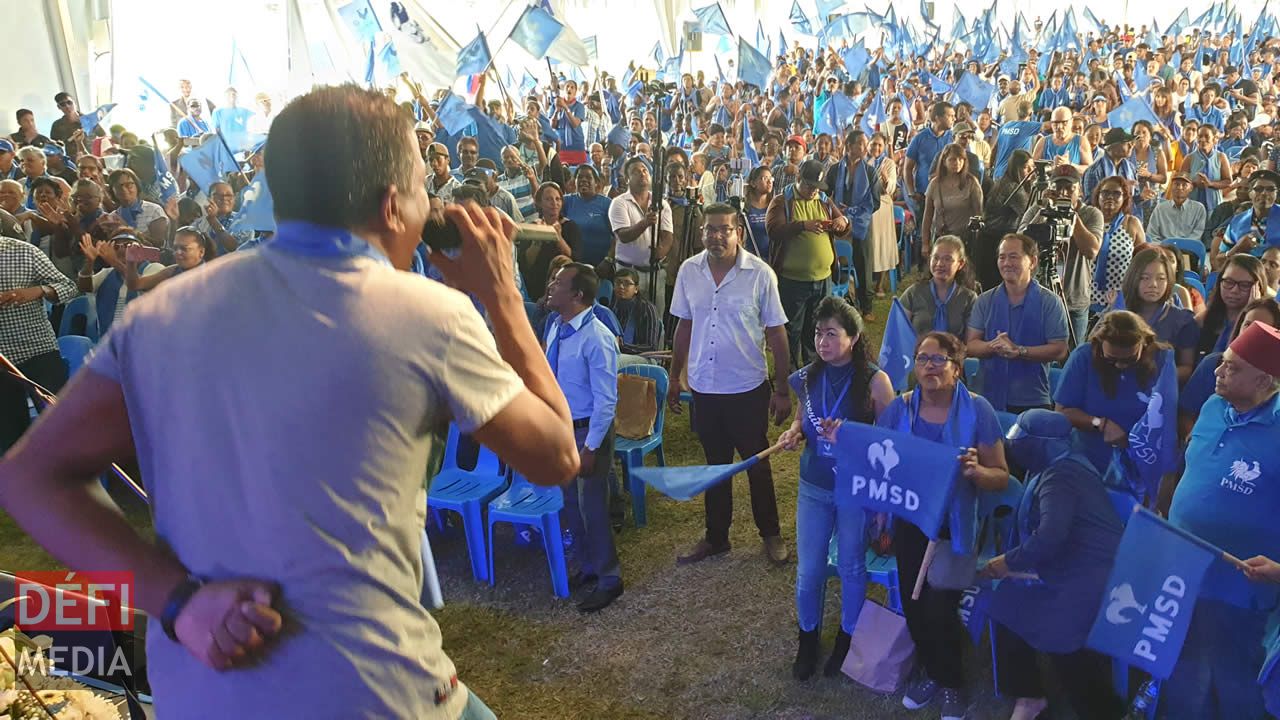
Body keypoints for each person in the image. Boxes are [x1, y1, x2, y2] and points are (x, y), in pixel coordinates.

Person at [0, 85, 580, 719]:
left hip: (202, 690)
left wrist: (177, 601)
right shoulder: (426, 314)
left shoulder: (160, 314)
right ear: (393, 207)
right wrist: (503, 297)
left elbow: (31, 476)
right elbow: (554, 455)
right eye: (423, 188)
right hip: (370, 692)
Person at [873, 331, 1008, 720]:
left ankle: (951, 684)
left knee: (937, 605)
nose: (929, 367)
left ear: (956, 368)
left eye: (938, 360)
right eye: (921, 359)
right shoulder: (900, 410)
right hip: (911, 519)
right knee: (914, 606)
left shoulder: (978, 411)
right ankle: (932, 670)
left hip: (957, 524)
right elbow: (878, 460)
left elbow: (1000, 475)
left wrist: (976, 471)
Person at [1164, 321, 1280, 719]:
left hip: (1238, 590)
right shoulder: (1214, 407)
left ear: (1264, 379)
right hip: (1181, 572)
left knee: (1232, 685)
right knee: (1179, 671)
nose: (1217, 370)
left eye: (1231, 367)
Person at [668, 202, 792, 566]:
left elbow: (777, 333)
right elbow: (684, 326)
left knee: (757, 464)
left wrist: (782, 388)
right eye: (710, 229)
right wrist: (675, 377)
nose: (716, 236)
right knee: (715, 466)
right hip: (704, 389)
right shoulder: (689, 271)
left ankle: (771, 534)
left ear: (738, 232)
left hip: (747, 389)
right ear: (701, 232)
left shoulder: (760, 274)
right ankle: (716, 537)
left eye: (724, 229)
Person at [981, 410, 1126, 720]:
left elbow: (1050, 535)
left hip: (1092, 574)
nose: (1014, 445)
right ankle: (1029, 695)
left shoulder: (1062, 476)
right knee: (1007, 603)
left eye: (1021, 439)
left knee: (1060, 634)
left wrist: (1009, 561)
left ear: (1042, 444)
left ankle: (1102, 710)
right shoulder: (1054, 465)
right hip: (1064, 562)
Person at [777, 296, 894, 680]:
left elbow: (891, 442)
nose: (822, 341)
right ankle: (807, 638)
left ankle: (848, 636)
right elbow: (801, 420)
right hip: (814, 485)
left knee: (850, 565)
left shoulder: (876, 381)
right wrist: (793, 434)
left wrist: (853, 437)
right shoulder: (810, 375)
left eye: (832, 333)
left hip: (855, 490)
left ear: (854, 337)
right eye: (817, 333)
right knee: (809, 570)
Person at [542, 263, 622, 613]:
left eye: (558, 283)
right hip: (562, 429)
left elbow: (607, 400)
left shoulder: (597, 338)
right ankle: (587, 566)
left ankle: (610, 578)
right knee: (571, 505)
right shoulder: (556, 329)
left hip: (589, 432)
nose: (550, 286)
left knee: (593, 508)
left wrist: (591, 447)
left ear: (577, 295)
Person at [1053, 310, 1175, 474]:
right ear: (1099, 344)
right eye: (1111, 359)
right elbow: (1062, 411)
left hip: (1144, 460)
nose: (1120, 366)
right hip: (1091, 459)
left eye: (1129, 360)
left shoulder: (1162, 360)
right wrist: (1100, 423)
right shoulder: (1083, 357)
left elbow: (1169, 419)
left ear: (1144, 344)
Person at [966, 233, 1071, 412]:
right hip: (986, 396)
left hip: (1032, 398)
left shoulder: (1050, 302)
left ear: (1033, 261)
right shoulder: (985, 300)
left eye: (1013, 257)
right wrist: (994, 346)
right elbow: (971, 346)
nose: (1006, 263)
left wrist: (1019, 351)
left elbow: (1060, 350)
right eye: (1002, 257)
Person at [766, 159, 851, 364]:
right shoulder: (782, 201)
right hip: (793, 280)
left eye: (817, 187)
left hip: (823, 278)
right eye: (809, 186)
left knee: (818, 328)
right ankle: (789, 371)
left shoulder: (823, 200)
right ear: (798, 179)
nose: (813, 191)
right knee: (791, 330)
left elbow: (843, 228)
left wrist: (843, 222)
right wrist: (802, 226)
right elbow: (773, 230)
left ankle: (813, 368)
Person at [0, 231, 79, 451]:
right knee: (9, 436)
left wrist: (38, 291)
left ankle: (71, 479)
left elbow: (69, 286)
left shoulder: (25, 252)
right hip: (1, 360)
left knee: (57, 424)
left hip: (37, 349)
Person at [1017, 165, 1104, 348]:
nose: (1063, 192)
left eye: (1069, 188)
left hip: (1074, 298)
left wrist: (1071, 215)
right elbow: (1019, 243)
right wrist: (1043, 211)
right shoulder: (1038, 209)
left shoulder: (1091, 214)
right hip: (1038, 296)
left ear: (1079, 190)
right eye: (1058, 187)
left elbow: (1092, 250)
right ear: (1050, 188)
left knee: (1072, 355)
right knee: (1036, 350)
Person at [1180, 297, 1280, 437]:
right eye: (1247, 325)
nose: (1218, 372)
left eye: (1261, 328)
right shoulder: (1213, 367)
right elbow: (1186, 413)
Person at [1117, 248, 1201, 381]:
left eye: (1161, 278)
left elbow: (1187, 368)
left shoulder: (1183, 321)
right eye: (1145, 278)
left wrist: (1156, 374)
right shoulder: (1119, 313)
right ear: (1133, 278)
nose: (1153, 285)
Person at [609, 157, 673, 314]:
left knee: (655, 319)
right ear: (627, 178)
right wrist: (645, 223)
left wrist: (661, 251)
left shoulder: (661, 203)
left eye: (644, 170)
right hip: (628, 273)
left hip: (655, 273)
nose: (642, 174)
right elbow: (623, 235)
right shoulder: (619, 203)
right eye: (636, 172)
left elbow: (668, 235)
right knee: (627, 316)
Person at [829, 130, 881, 316]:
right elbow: (826, 195)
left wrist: (851, 213)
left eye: (865, 143)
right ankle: (838, 300)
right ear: (849, 146)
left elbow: (875, 202)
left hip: (862, 222)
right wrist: (838, 212)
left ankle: (866, 307)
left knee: (863, 261)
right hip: (837, 221)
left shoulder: (870, 171)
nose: (865, 147)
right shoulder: (835, 169)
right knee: (835, 258)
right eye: (860, 143)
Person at [899, 236, 979, 337]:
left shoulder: (969, 298)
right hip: (916, 352)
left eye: (947, 259)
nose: (940, 264)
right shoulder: (914, 293)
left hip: (954, 352)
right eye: (935, 258)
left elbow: (971, 341)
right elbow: (897, 333)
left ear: (961, 264)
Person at [979, 149, 1035, 292]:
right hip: (995, 239)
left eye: (1032, 167)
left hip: (993, 237)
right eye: (1025, 168)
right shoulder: (1012, 187)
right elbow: (1029, 213)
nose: (1030, 171)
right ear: (1016, 167)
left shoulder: (1003, 181)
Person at [1089, 175, 1146, 310]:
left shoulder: (1132, 223)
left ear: (1124, 198)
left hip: (1121, 297)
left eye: (1116, 193)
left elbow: (1142, 263)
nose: (1110, 197)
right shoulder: (1088, 221)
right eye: (1105, 193)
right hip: (1087, 296)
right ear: (1098, 196)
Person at [921, 144, 983, 259]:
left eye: (961, 159)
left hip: (964, 239)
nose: (957, 163)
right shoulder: (935, 184)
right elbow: (927, 216)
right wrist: (925, 243)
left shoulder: (971, 182)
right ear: (944, 161)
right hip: (941, 237)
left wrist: (977, 240)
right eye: (953, 159)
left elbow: (978, 213)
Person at [1197, 254, 1267, 356]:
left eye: (1245, 285)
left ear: (1258, 288)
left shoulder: (1266, 323)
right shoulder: (1203, 319)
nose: (1234, 290)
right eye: (1228, 282)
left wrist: (1252, 311)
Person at [1213, 169, 1280, 271]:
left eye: (1270, 189)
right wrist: (1236, 249)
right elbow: (1219, 262)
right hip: (1245, 278)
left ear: (1276, 194)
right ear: (1250, 193)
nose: (1264, 193)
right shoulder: (1237, 221)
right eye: (1258, 188)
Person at [904, 102, 955, 221]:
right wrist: (911, 192)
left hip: (947, 194)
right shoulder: (919, 138)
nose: (954, 119)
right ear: (938, 118)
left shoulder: (953, 138)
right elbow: (907, 167)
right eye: (950, 116)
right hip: (923, 195)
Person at [125, 227, 216, 293]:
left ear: (201, 252)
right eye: (175, 248)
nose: (178, 252)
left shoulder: (213, 278)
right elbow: (135, 285)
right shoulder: (172, 271)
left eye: (184, 249)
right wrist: (131, 262)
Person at [865, 132, 899, 295]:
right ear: (868, 145)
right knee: (868, 245)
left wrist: (886, 180)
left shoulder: (889, 163)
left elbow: (891, 187)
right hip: (865, 209)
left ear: (884, 146)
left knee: (883, 245)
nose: (876, 148)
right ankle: (866, 282)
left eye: (879, 145)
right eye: (873, 144)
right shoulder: (863, 162)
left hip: (883, 209)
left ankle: (880, 283)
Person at [562, 165, 612, 267]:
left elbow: (617, 236)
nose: (583, 180)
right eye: (580, 177)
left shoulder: (607, 204)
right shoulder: (566, 201)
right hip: (573, 263)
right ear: (574, 181)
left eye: (588, 177)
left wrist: (608, 260)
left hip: (601, 265)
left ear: (596, 182)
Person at [1181, 123, 1233, 216]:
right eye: (1200, 136)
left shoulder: (1221, 157)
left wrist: (1211, 184)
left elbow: (1228, 181)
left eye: (1207, 136)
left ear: (1215, 139)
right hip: (1193, 206)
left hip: (1214, 205)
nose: (1202, 139)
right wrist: (1193, 183)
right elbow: (1181, 182)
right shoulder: (1189, 158)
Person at [106, 168, 168, 245]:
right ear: (112, 191)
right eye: (118, 186)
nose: (124, 189)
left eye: (129, 185)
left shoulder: (154, 210)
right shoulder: (112, 217)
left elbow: (159, 244)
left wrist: (131, 232)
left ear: (137, 186)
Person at [611, 268, 662, 360]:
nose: (621, 286)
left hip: (643, 357)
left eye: (626, 283)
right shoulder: (613, 306)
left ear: (636, 289)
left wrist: (622, 346)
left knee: (611, 362)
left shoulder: (647, 309)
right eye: (618, 282)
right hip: (616, 353)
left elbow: (651, 347)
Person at [1145, 172, 1207, 244]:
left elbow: (1197, 235)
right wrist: (1163, 247)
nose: (1180, 187)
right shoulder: (1160, 208)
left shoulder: (1199, 209)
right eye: (1177, 184)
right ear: (1171, 186)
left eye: (1184, 185)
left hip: (1188, 249)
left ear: (1191, 188)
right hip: (1163, 249)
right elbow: (1152, 234)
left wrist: (1180, 247)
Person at [1081, 128, 1137, 209]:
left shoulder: (1131, 168)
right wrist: (1119, 188)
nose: (1131, 146)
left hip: (1126, 216)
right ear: (1112, 146)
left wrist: (1141, 196)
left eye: (1131, 143)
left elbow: (1133, 200)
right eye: (1127, 143)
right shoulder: (1094, 171)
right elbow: (1090, 203)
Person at [1032, 106, 1093, 172]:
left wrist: (1070, 165)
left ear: (1071, 122)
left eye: (1064, 122)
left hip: (1073, 181)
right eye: (1055, 123)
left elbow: (1090, 169)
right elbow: (1032, 169)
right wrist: (1051, 167)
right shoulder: (1043, 142)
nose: (1059, 127)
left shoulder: (1081, 141)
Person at [742, 166, 774, 259]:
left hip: (772, 258)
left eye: (770, 178)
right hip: (751, 257)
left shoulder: (774, 206)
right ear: (753, 183)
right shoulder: (745, 207)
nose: (769, 182)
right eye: (764, 178)